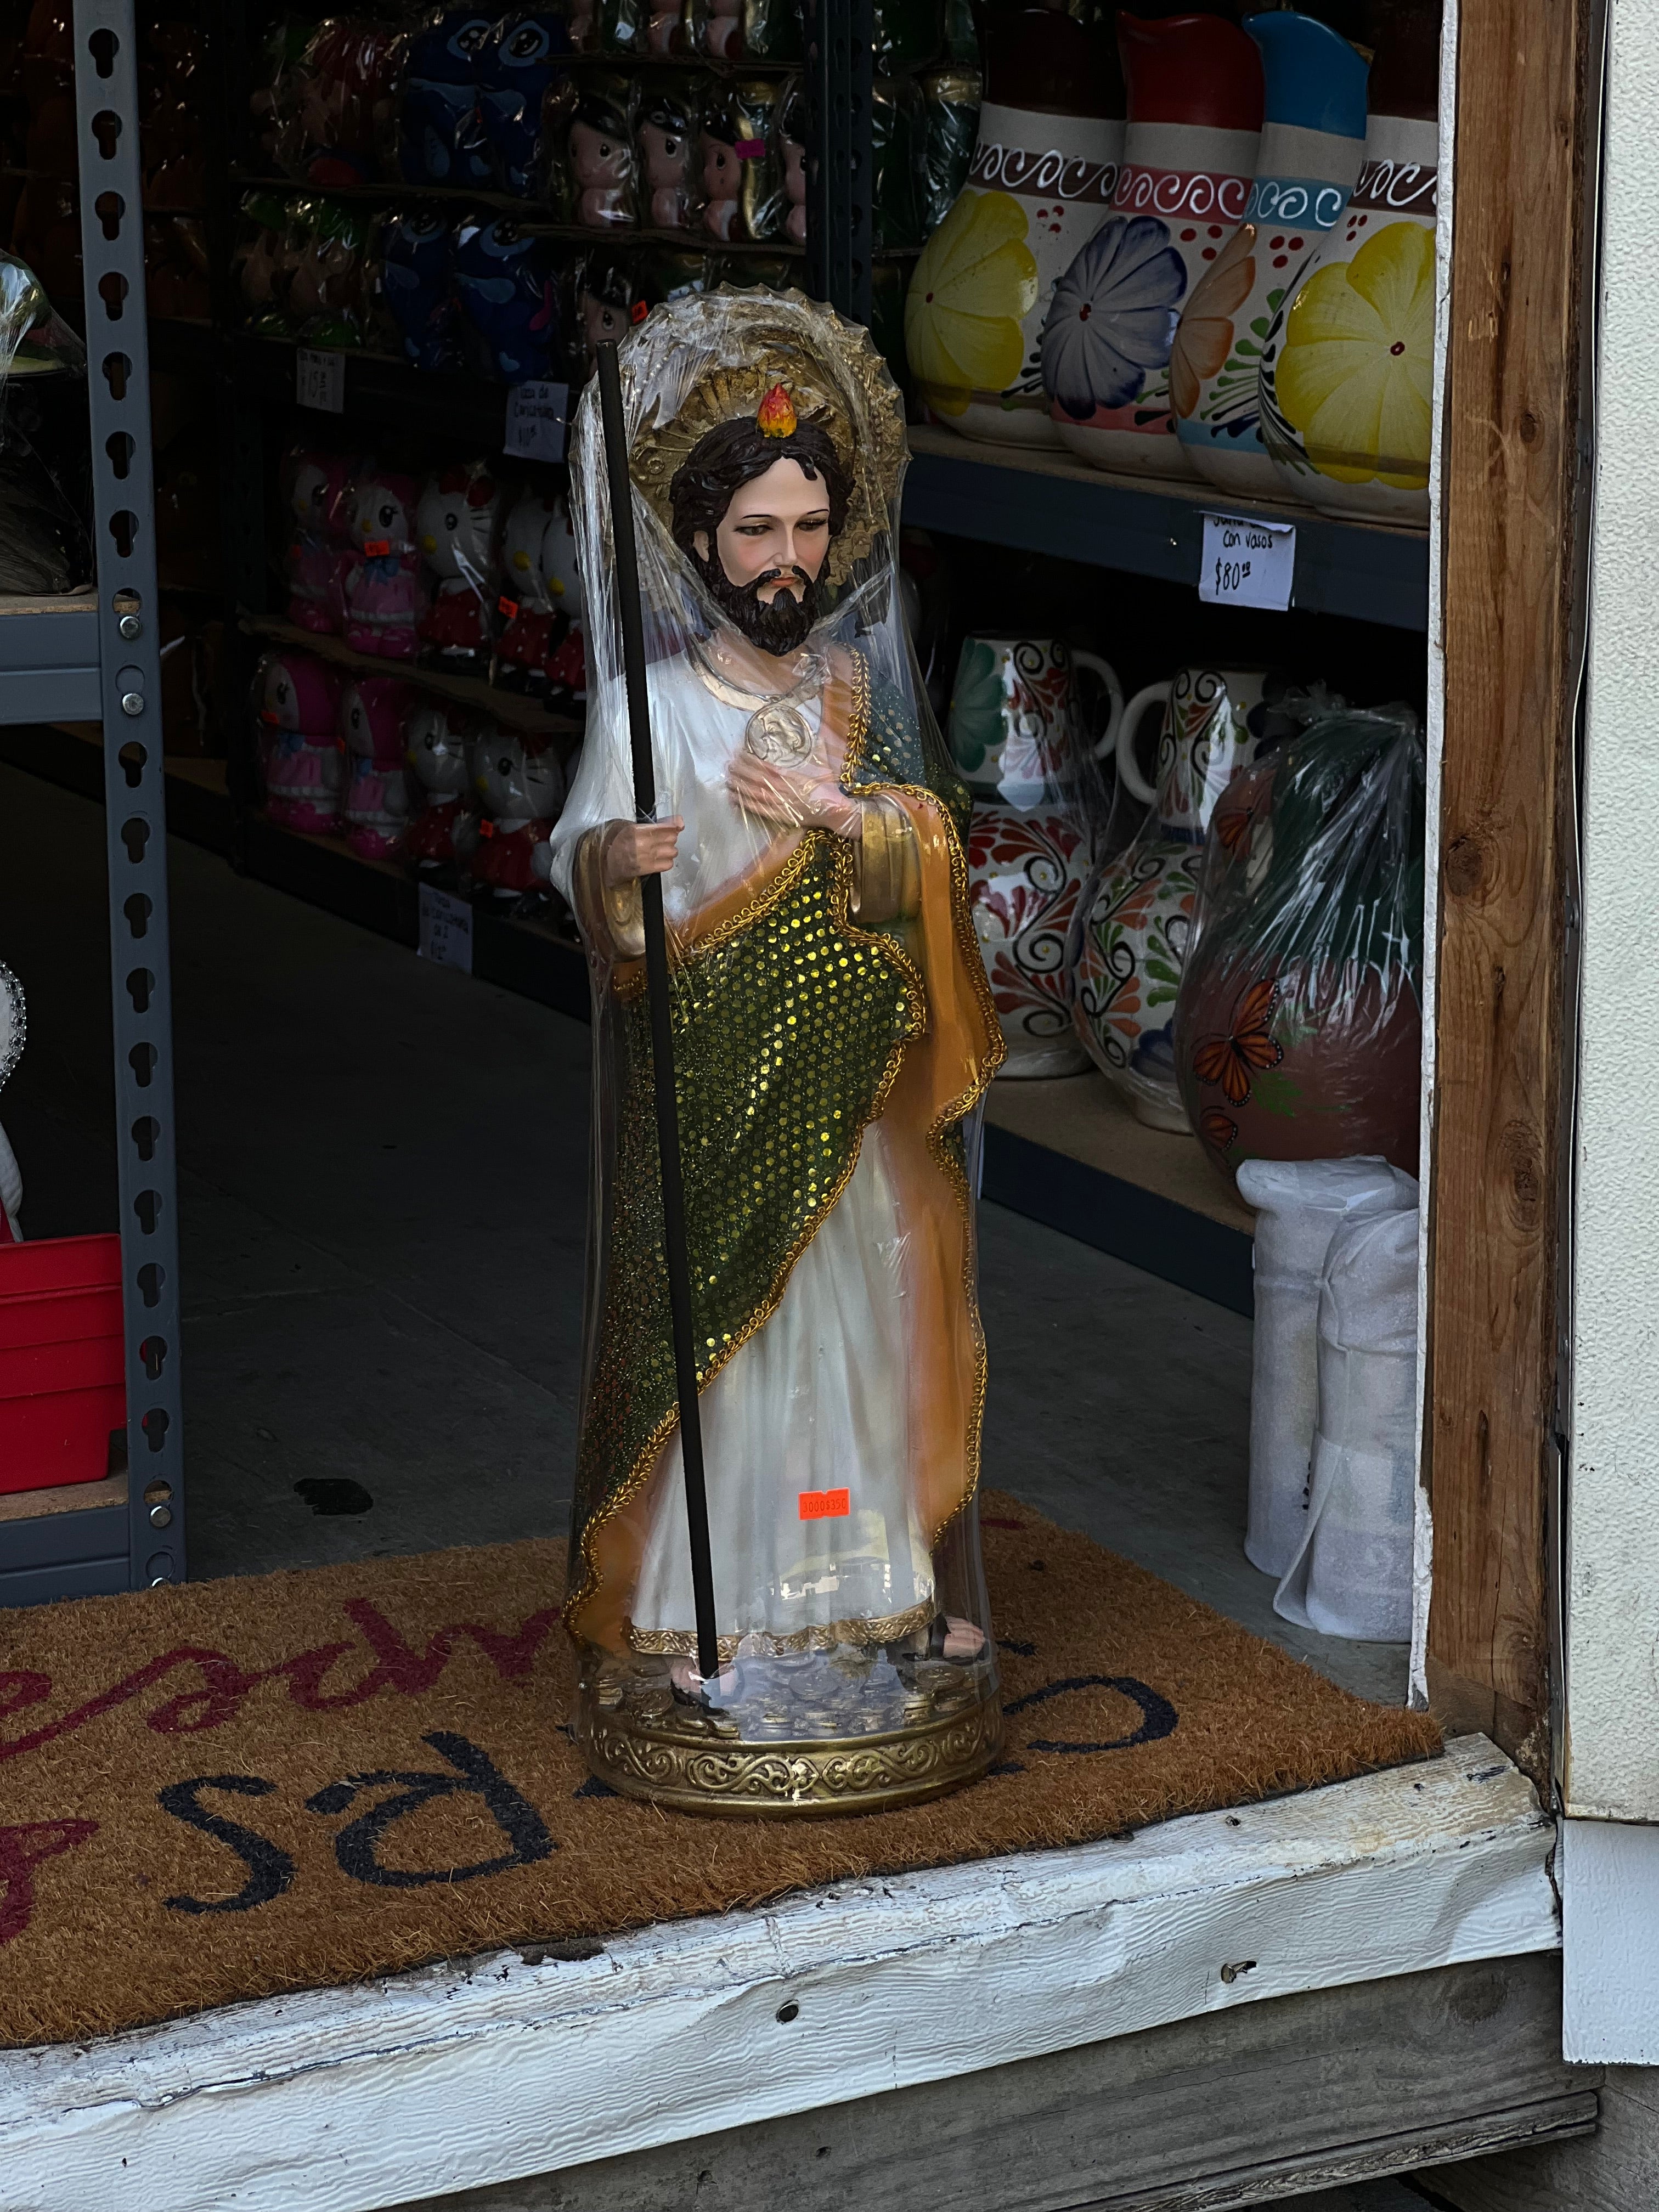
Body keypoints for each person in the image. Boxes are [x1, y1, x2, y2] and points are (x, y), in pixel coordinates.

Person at [550, 290, 1003, 1808]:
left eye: (811, 526)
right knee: (730, 1363)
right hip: (716, 1102)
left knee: (866, 1346)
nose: (788, 560)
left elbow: (931, 864)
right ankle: (702, 1612)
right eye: (756, 529)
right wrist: (619, 871)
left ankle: (875, 1588)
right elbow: (586, 877)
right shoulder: (654, 703)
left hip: (853, 1109)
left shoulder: (863, 697)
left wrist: (858, 823)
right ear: (701, 540)